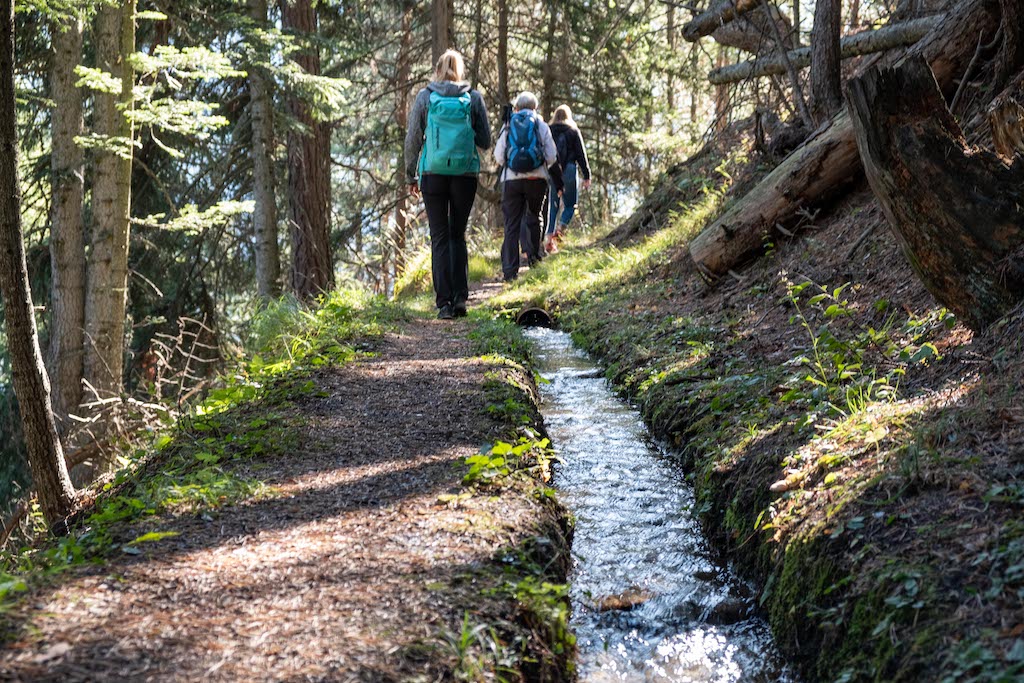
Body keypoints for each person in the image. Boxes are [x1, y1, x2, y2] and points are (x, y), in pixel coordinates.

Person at [404, 49, 491, 319]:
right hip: (464, 175)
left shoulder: (425, 96)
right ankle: (460, 298)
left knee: (439, 236)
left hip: (433, 174)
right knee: (457, 235)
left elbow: (413, 139)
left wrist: (410, 175)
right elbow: (485, 141)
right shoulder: (473, 97)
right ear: (460, 70)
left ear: (438, 69)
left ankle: (444, 304)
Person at [494, 91, 563, 282]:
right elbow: (551, 156)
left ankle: (510, 272)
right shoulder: (540, 124)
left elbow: (499, 156)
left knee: (511, 225)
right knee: (535, 217)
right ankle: (534, 260)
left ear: (516, 107)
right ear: (536, 107)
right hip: (536, 179)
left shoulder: (508, 124)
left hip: (511, 180)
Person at [544, 104, 592, 254]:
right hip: (570, 170)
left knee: (553, 206)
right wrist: (587, 175)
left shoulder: (549, 130)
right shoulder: (573, 131)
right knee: (571, 205)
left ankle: (548, 239)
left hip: (552, 170)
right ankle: (560, 230)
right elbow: (581, 155)